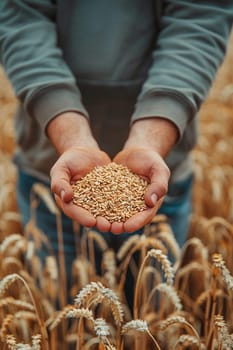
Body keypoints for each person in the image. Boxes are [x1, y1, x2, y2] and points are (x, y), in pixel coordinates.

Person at [0, 1, 232, 304]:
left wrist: (151, 137)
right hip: (50, 173)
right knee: (62, 311)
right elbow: (19, 21)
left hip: (161, 171)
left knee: (152, 311)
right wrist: (70, 133)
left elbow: (199, 22)